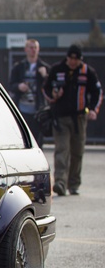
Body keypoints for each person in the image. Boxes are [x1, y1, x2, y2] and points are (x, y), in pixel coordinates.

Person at [43, 44, 103, 196]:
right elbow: (46, 88)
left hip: (79, 118)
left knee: (77, 151)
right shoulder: (57, 69)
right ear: (67, 57)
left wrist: (93, 110)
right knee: (62, 149)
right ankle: (60, 182)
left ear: (80, 59)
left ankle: (73, 183)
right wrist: (53, 95)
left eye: (76, 59)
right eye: (71, 58)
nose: (73, 61)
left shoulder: (87, 72)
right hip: (60, 118)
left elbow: (97, 92)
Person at [9, 39, 50, 147]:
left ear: (38, 50)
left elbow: (50, 88)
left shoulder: (44, 67)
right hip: (22, 108)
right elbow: (11, 85)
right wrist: (19, 86)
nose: (33, 50)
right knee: (23, 139)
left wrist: (45, 76)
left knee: (38, 140)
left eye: (35, 48)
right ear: (25, 49)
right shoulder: (19, 67)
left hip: (38, 109)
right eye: (30, 47)